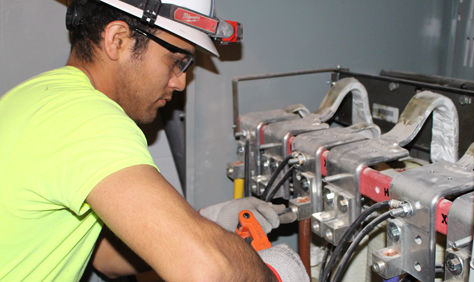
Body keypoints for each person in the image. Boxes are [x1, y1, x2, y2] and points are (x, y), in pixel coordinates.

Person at [0, 0, 309, 281]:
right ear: (117, 40)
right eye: (177, 61)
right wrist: (274, 274)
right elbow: (207, 270)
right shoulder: (89, 118)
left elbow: (105, 257)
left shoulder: (35, 95)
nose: (180, 82)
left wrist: (206, 223)